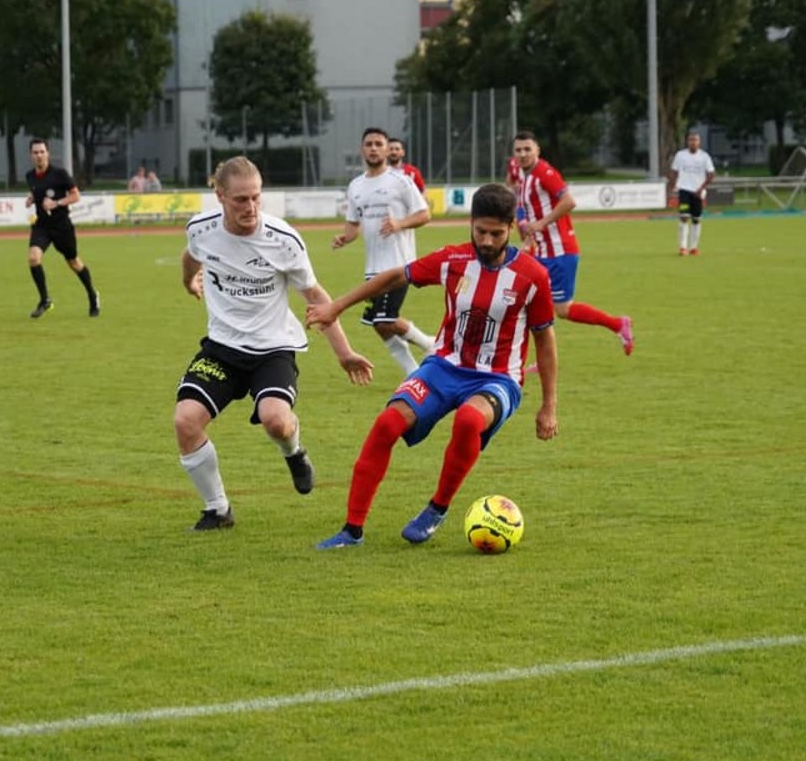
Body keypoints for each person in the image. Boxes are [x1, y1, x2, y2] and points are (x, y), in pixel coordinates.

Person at [307, 183, 559, 549]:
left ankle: (437, 508)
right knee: (386, 424)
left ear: (510, 228)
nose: (487, 241)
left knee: (469, 420)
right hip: (443, 367)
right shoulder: (453, 260)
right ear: (471, 223)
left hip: (498, 378)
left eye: (496, 233)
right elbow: (396, 276)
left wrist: (548, 406)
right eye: (480, 231)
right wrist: (336, 306)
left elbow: (545, 341)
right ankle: (351, 531)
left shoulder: (532, 276)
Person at [176, 156, 374, 531]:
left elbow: (315, 296)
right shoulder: (201, 229)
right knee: (186, 421)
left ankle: (294, 451)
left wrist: (344, 352)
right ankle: (217, 510)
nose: (250, 207)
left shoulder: (283, 240)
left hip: (273, 349)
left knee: (276, 422)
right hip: (221, 348)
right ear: (220, 196)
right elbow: (191, 254)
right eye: (240, 199)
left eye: (256, 197)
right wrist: (189, 280)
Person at [511, 131, 633, 355]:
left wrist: (540, 224)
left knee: (562, 309)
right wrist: (524, 225)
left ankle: (618, 324)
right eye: (519, 150)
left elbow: (569, 201)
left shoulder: (544, 173)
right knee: (525, 301)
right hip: (542, 252)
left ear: (537, 150)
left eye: (527, 149)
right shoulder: (525, 176)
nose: (523, 154)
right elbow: (523, 206)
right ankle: (540, 358)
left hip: (559, 253)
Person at [333, 127, 437, 375]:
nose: (373, 148)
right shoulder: (356, 185)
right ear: (362, 149)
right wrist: (345, 238)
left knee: (384, 319)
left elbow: (425, 214)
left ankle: (429, 344)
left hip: (399, 263)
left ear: (387, 149)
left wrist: (399, 224)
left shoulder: (401, 181)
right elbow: (353, 223)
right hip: (373, 267)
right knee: (379, 324)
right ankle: (413, 373)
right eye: (369, 144)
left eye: (378, 144)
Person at [24, 138, 100, 318]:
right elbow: (37, 190)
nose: (39, 155)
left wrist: (56, 203)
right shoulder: (30, 176)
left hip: (61, 226)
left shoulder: (60, 174)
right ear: (31, 155)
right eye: (35, 152)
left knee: (74, 263)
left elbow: (76, 196)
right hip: (42, 226)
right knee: (33, 258)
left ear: (48, 153)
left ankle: (92, 294)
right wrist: (31, 198)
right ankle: (45, 300)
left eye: (42, 152)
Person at [667, 131, 716, 256]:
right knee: (684, 217)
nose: (693, 142)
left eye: (695, 140)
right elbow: (673, 171)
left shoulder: (704, 157)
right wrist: (672, 186)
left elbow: (711, 174)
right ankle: (683, 247)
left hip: (697, 193)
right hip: (684, 190)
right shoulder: (680, 155)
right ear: (687, 142)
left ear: (699, 142)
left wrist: (702, 188)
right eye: (691, 140)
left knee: (696, 219)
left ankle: (694, 247)